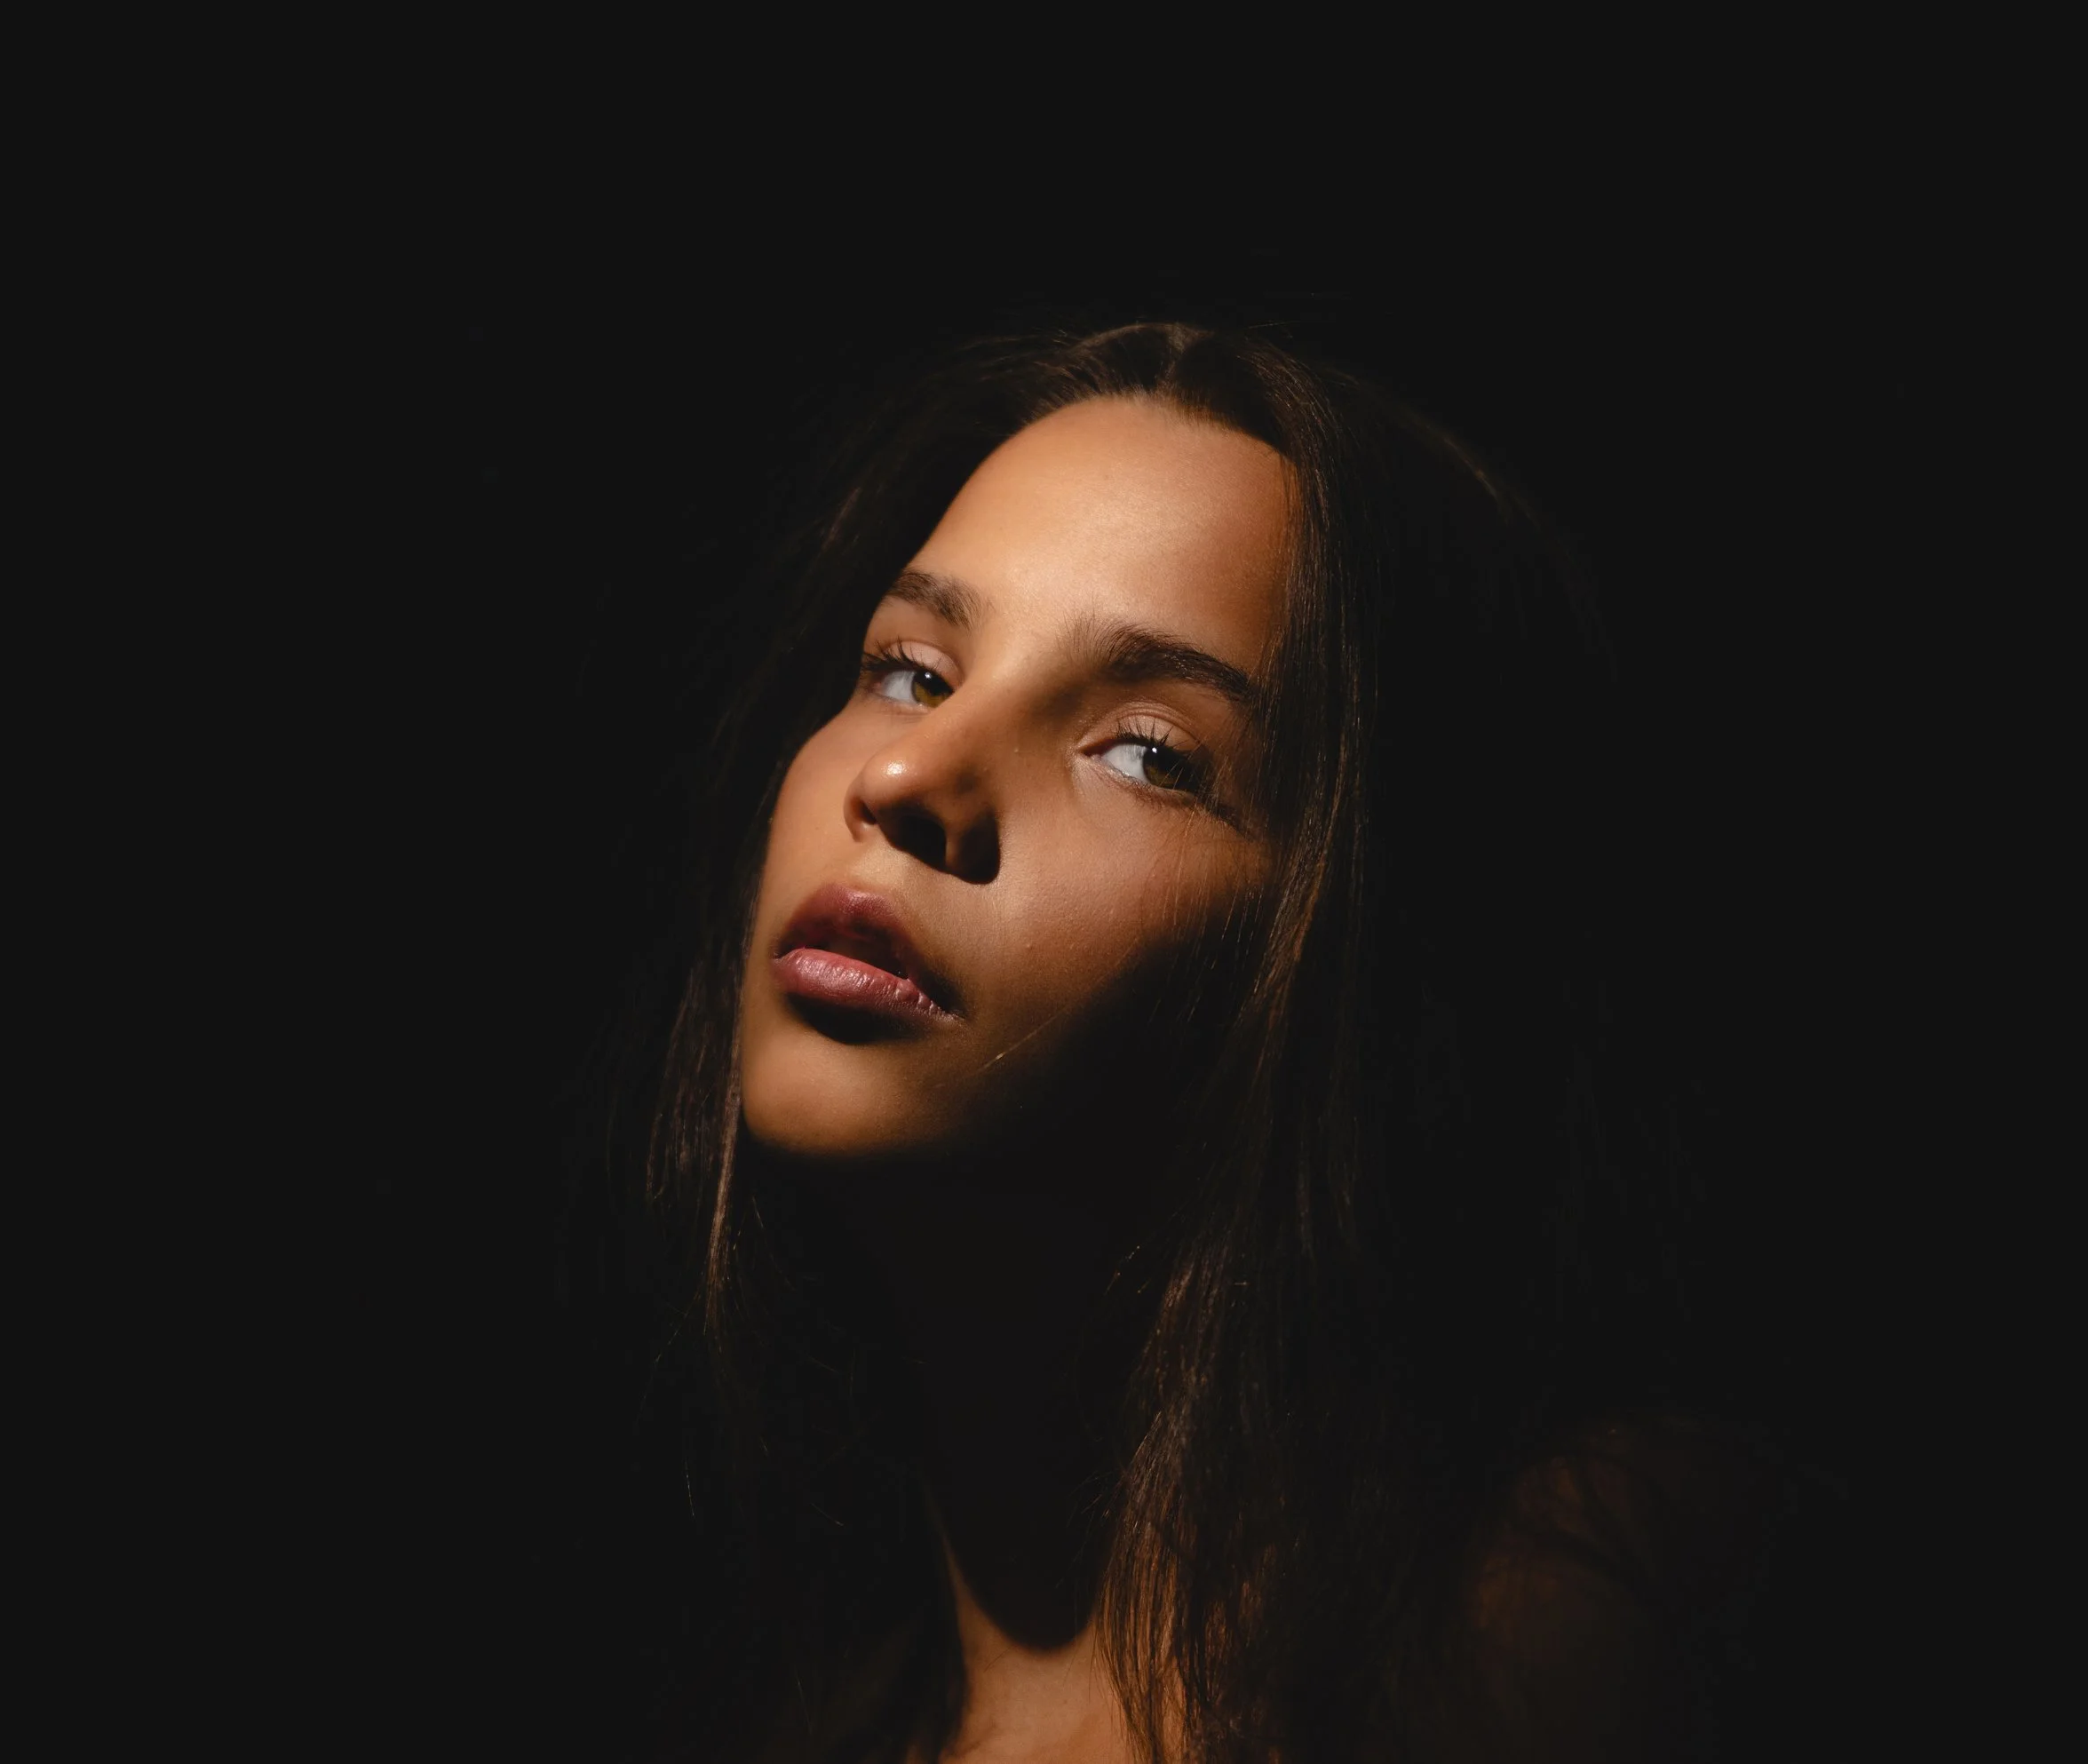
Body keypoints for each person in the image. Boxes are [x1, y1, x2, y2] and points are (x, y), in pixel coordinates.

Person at [610, 322, 1801, 1762]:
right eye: (913, 669)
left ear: (1388, 957)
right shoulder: (796, 1721)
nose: (909, 774)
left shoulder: (1604, 1613)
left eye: (1149, 754)